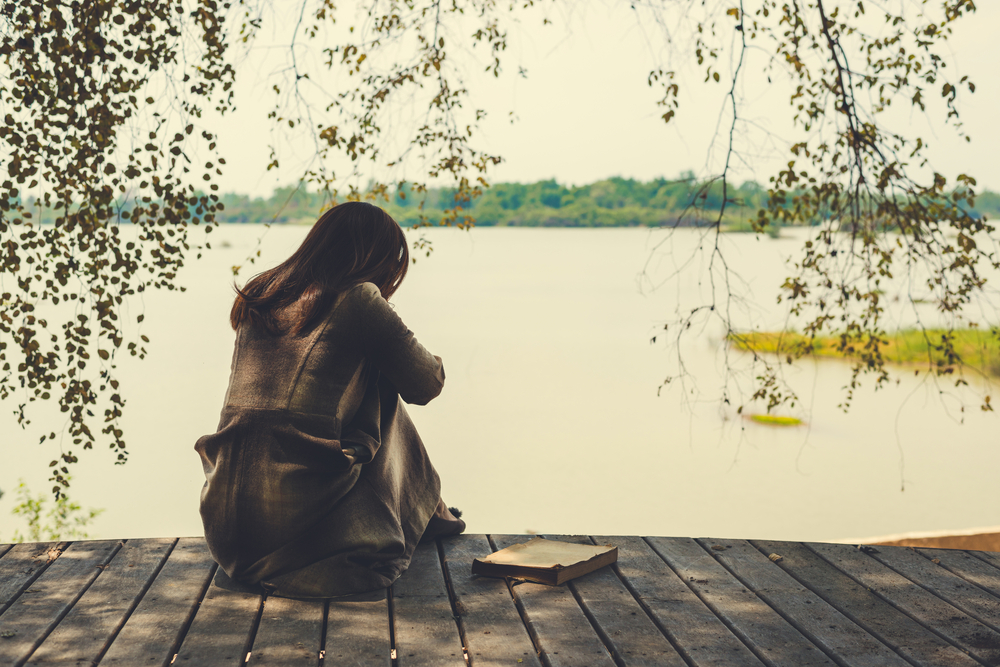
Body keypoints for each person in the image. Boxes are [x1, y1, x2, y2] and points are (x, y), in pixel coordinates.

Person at [194, 201, 465, 598]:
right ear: (376, 259)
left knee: (367, 374)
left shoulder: (259, 293)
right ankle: (428, 512)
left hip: (228, 523)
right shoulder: (358, 299)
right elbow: (425, 384)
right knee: (383, 385)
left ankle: (432, 512)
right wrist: (391, 344)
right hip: (294, 521)